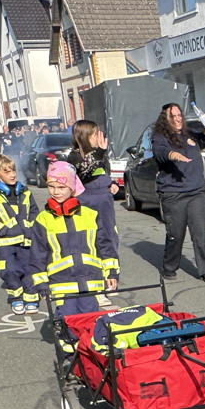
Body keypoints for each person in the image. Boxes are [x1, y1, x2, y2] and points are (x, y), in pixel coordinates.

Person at [30, 161, 119, 327]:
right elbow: (37, 254)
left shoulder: (90, 215)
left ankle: (86, 352)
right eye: (51, 186)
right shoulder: (43, 219)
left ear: (72, 188)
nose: (55, 192)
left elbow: (105, 246)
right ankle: (70, 352)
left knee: (90, 323)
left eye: (61, 187)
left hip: (90, 280)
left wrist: (111, 272)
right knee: (68, 324)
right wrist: (41, 284)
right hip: (61, 283)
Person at [151, 102, 205, 283]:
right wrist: (173, 155)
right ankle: (170, 266)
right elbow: (160, 152)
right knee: (176, 235)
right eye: (173, 116)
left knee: (200, 234)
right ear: (166, 119)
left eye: (180, 115)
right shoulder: (160, 137)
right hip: (173, 194)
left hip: (197, 192)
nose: (178, 119)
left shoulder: (190, 134)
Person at [66, 118, 121, 288]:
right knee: (92, 240)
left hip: (104, 200)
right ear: (84, 136)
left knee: (110, 237)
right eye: (95, 134)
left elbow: (102, 171)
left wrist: (112, 183)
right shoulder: (74, 156)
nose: (99, 137)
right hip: (87, 201)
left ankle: (111, 276)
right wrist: (99, 153)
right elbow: (85, 170)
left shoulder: (99, 153)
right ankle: (95, 278)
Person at [0, 154, 39, 315]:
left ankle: (31, 298)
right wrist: (4, 230)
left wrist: (31, 227)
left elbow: (34, 211)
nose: (12, 174)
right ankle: (16, 298)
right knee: (10, 271)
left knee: (29, 269)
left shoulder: (25, 192)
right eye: (7, 172)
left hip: (27, 240)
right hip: (6, 243)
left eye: (13, 170)